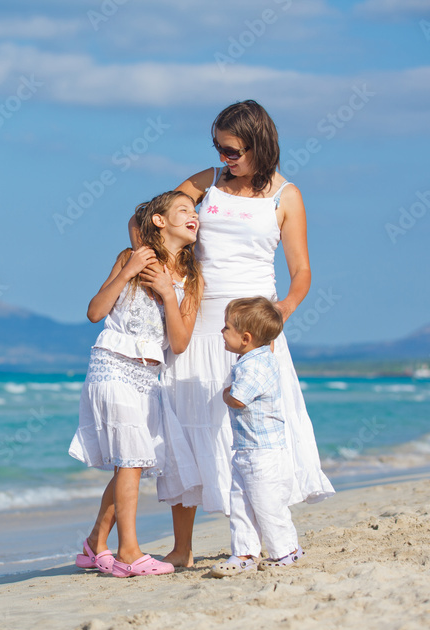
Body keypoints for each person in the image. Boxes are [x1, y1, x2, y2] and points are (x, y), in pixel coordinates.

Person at [129, 100, 335, 569]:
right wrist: (165, 278)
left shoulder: (287, 196)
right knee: (189, 425)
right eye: (219, 149)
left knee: (254, 436)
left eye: (233, 150)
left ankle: (265, 537)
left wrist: (280, 312)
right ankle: (182, 548)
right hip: (198, 320)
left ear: (260, 145)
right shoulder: (205, 184)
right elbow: (145, 222)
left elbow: (301, 270)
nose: (225, 159)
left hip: (256, 330)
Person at [70, 190, 203, 577]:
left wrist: (166, 292)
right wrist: (128, 272)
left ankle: (95, 542)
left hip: (148, 377)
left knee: (133, 464)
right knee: (130, 461)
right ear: (159, 221)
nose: (193, 215)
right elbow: (95, 312)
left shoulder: (193, 279)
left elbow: (178, 342)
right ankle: (128, 552)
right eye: (183, 210)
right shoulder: (131, 258)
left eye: (195, 211)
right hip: (111, 366)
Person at [211, 297, 305, 576]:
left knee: (267, 505)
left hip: (264, 453)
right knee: (239, 502)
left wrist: (226, 393)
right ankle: (244, 552)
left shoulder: (256, 365)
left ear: (246, 338)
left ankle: (285, 550)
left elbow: (239, 399)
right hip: (247, 449)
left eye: (227, 328)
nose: (222, 332)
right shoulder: (252, 358)